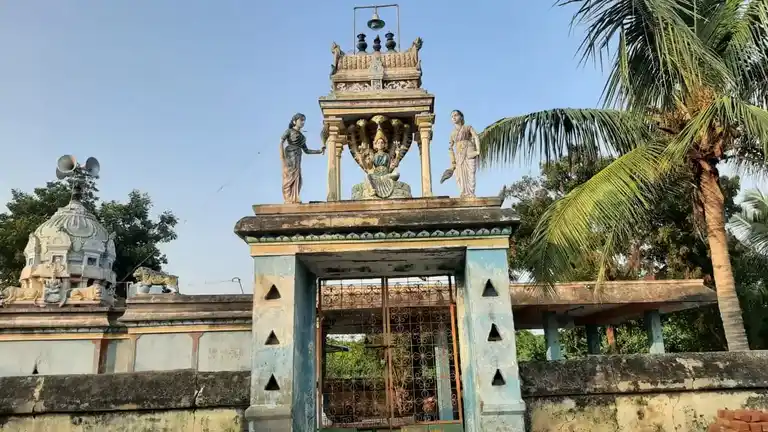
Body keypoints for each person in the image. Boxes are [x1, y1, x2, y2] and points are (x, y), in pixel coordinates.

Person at [279, 113, 325, 203]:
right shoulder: (289, 131)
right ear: (294, 121)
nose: (302, 122)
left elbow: (306, 150)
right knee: (290, 176)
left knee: (298, 178)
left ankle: (295, 198)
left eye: (304, 121)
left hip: (298, 155)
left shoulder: (302, 137)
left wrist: (319, 151)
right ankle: (288, 198)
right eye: (301, 120)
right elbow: (281, 141)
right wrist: (282, 156)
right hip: (290, 153)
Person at [446, 110, 480, 198]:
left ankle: (471, 193)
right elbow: (450, 148)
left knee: (471, 173)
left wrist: (478, 150)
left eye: (456, 115)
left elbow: (476, 137)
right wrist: (453, 162)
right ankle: (464, 193)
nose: (453, 117)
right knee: (460, 175)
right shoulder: (452, 133)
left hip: (469, 152)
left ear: (461, 117)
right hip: (459, 156)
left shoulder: (468, 127)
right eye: (452, 116)